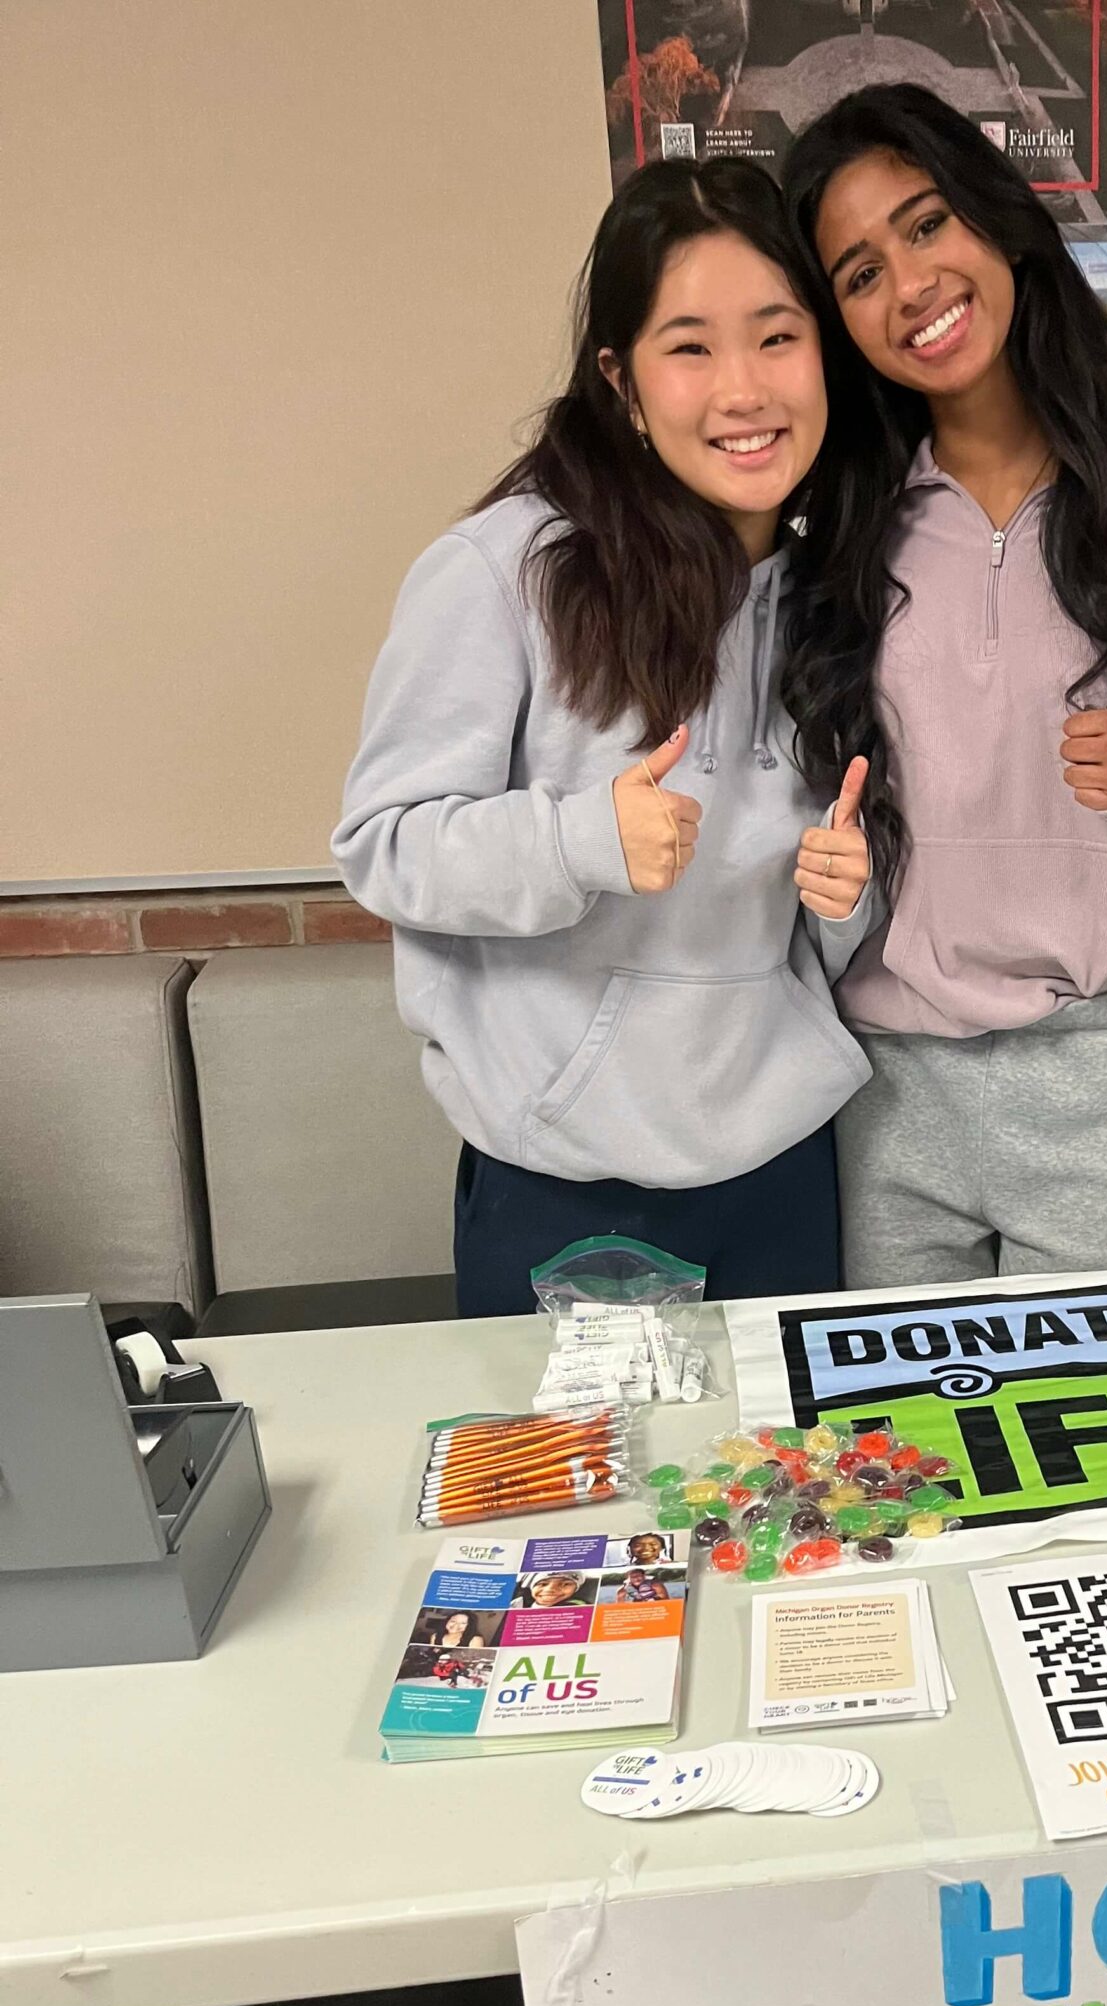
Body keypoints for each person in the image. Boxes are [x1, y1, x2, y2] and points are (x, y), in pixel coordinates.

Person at [783, 85, 1107, 1283]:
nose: (909, 286)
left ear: (998, 220)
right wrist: (831, 881)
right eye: (858, 273)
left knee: (1096, 1459)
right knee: (905, 1461)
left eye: (926, 227)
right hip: (889, 1088)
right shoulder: (838, 529)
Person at [334, 163, 875, 1316]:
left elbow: (811, 925)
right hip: (565, 1185)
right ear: (621, 380)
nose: (743, 389)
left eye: (778, 337)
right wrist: (581, 840)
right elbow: (383, 846)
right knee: (585, 1505)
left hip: (785, 1168)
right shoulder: (504, 571)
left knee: (804, 1499)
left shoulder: (835, 588)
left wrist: (848, 895)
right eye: (690, 347)